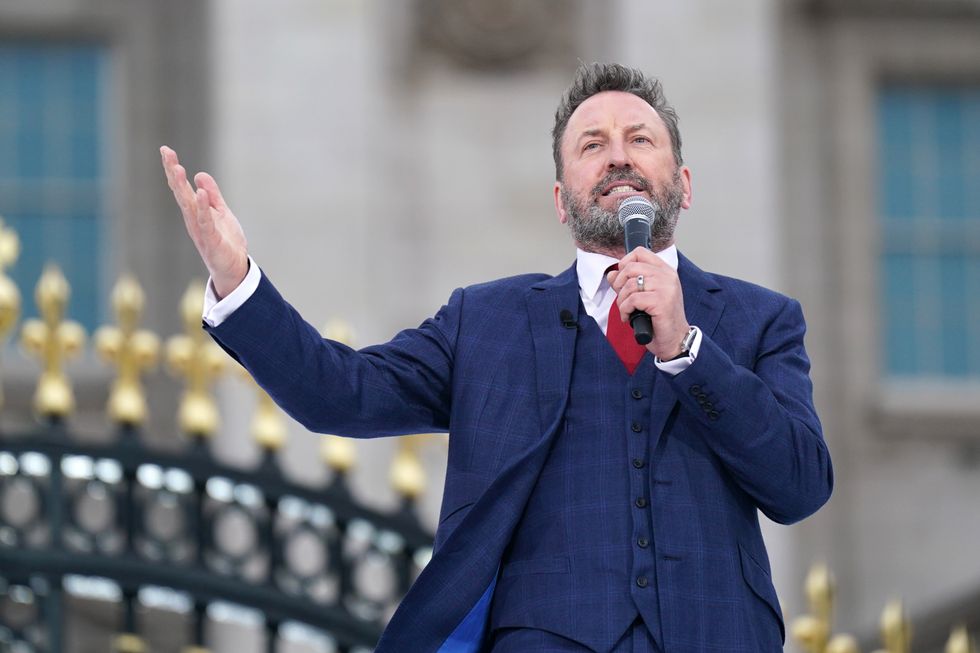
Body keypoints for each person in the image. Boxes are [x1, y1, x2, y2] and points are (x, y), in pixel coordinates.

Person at [161, 62, 833, 653]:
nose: (617, 157)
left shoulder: (760, 320)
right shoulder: (487, 323)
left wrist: (688, 349)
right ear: (561, 201)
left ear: (682, 185)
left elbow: (800, 485)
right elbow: (340, 392)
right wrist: (237, 279)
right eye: (592, 145)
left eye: (639, 139)